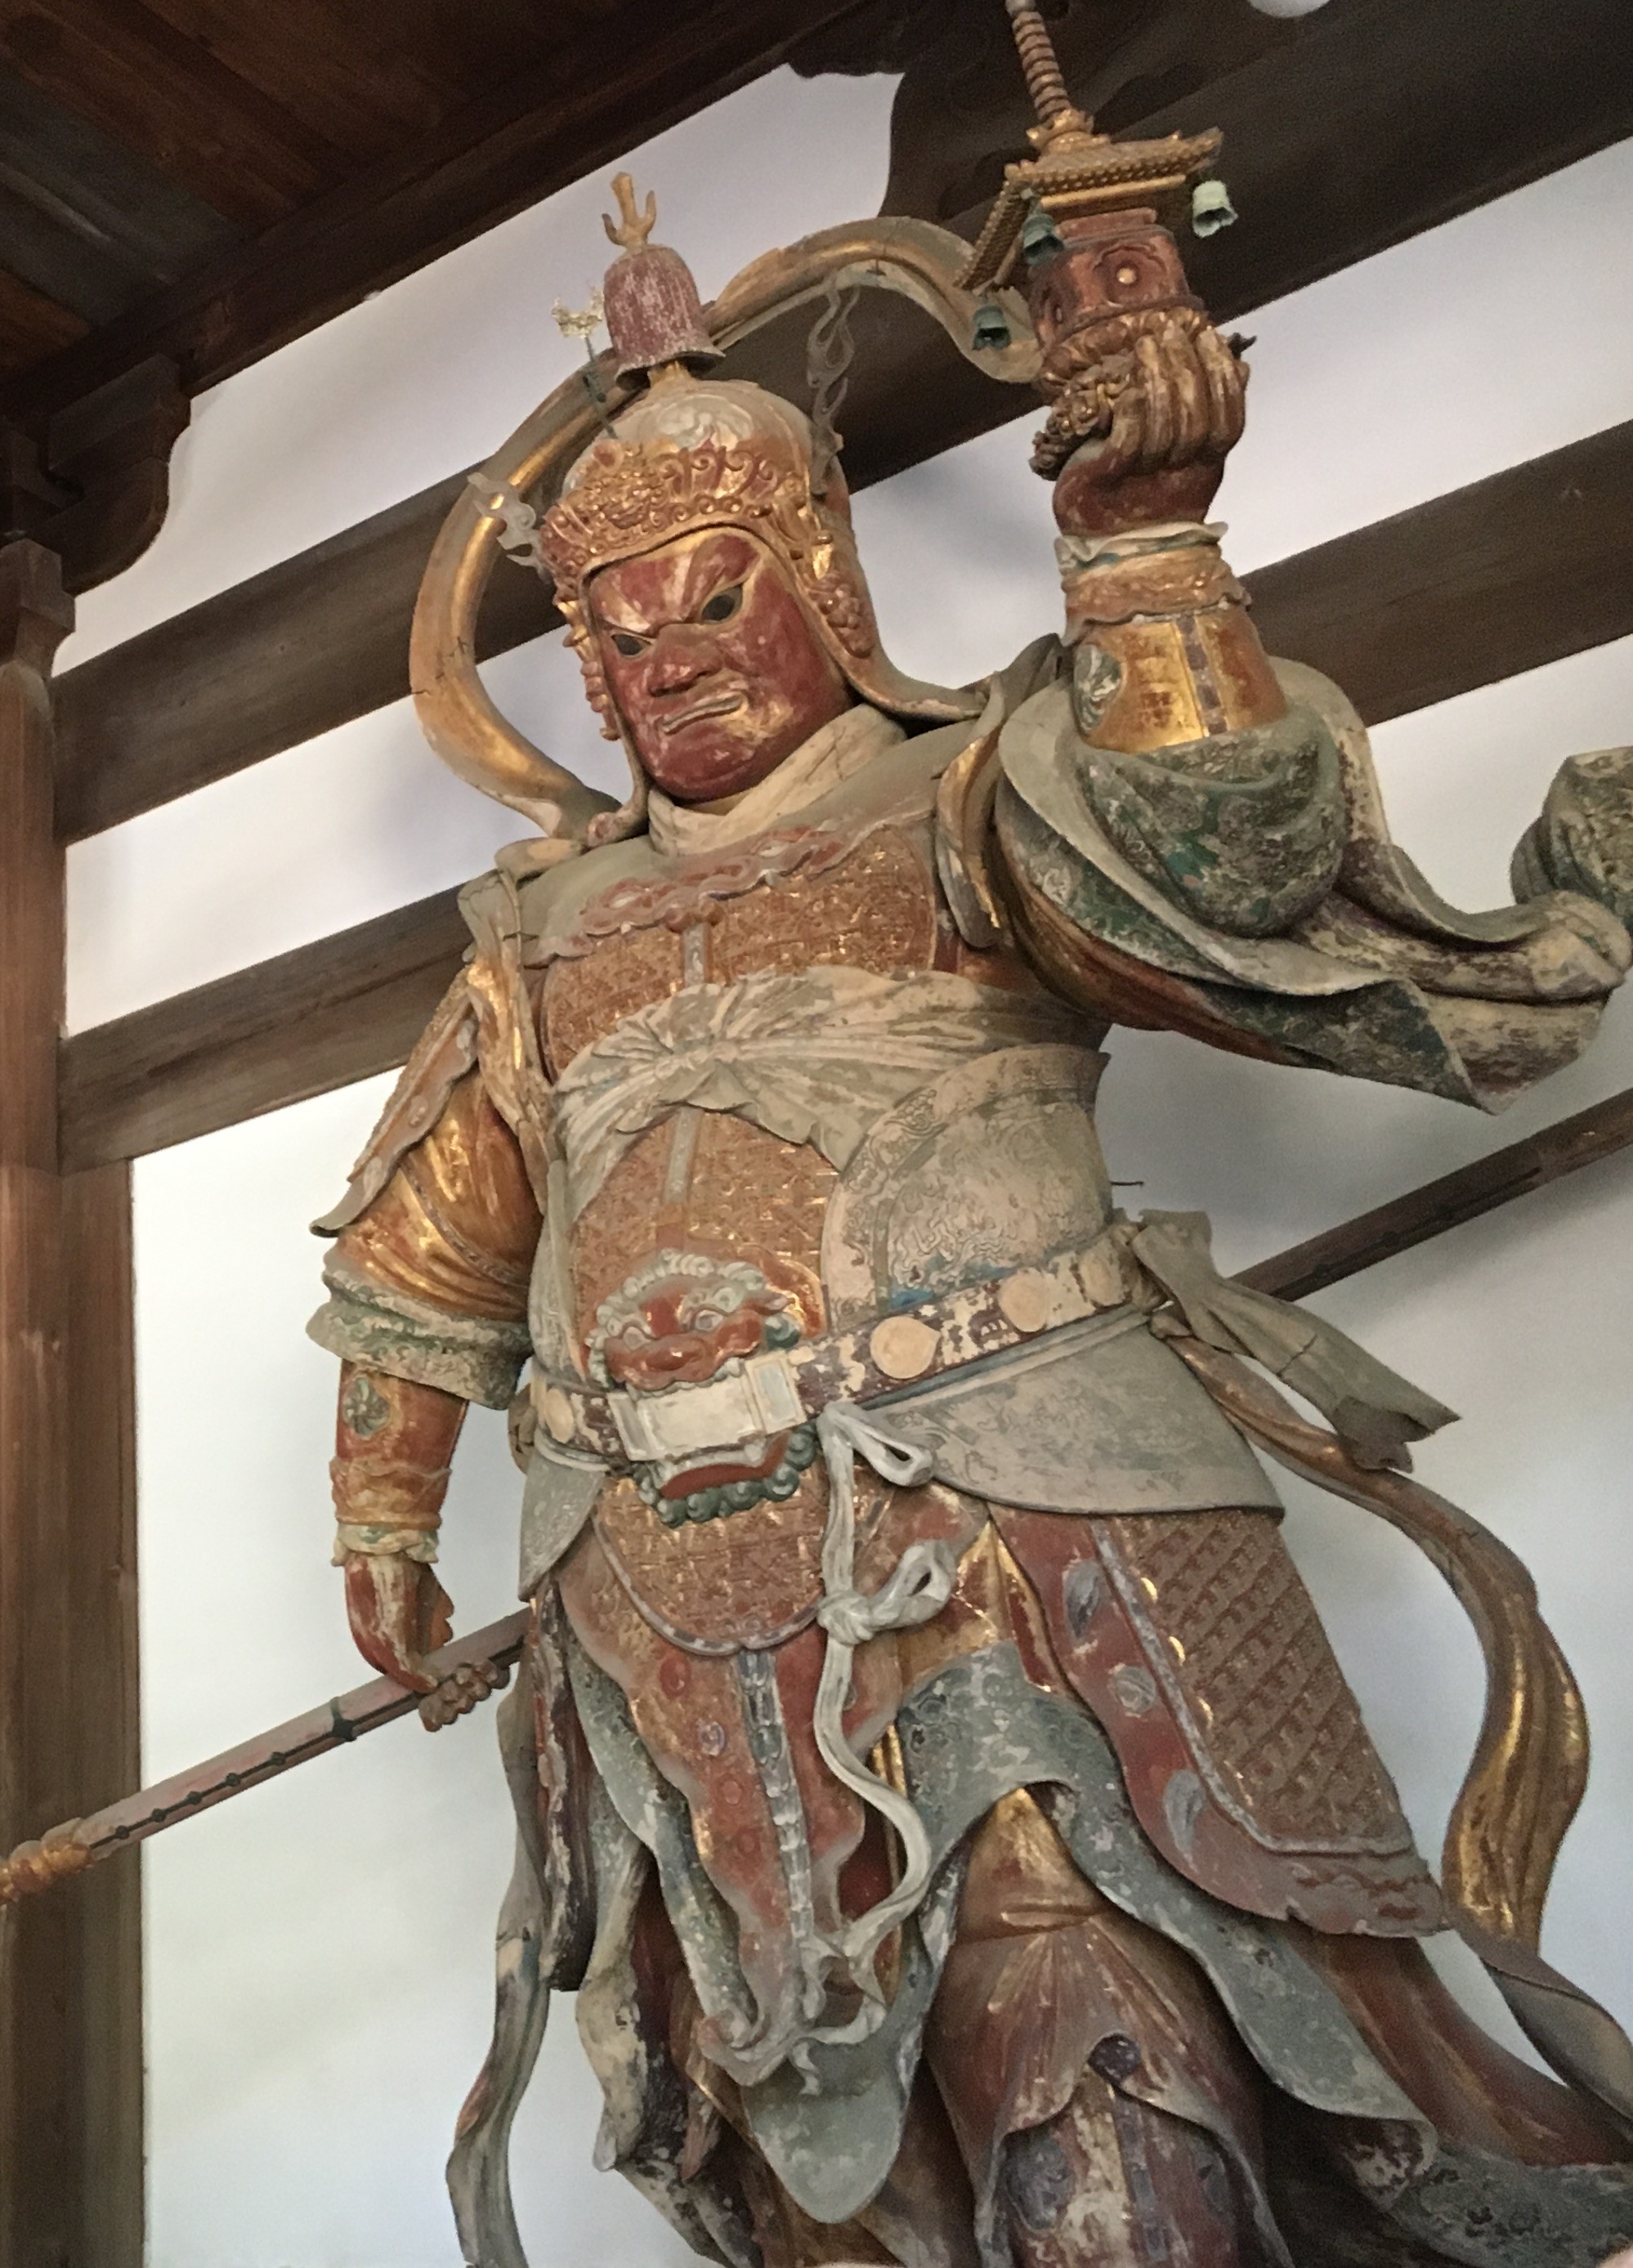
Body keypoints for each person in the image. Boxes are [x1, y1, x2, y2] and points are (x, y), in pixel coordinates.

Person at [312, 183, 1633, 2266]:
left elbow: (1232, 864)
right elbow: (431, 1250)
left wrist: (1141, 544)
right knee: (806, 2111)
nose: (666, 667)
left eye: (707, 602)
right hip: (652, 1588)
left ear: (815, 577)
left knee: (1094, 2013)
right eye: (617, 640)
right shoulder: (534, 936)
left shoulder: (962, 796)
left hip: (1014, 1518)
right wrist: (379, 1508)